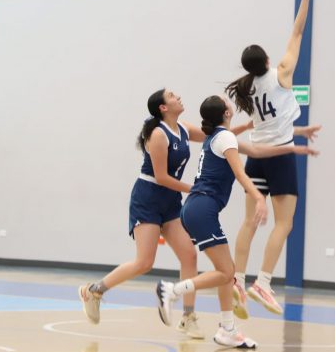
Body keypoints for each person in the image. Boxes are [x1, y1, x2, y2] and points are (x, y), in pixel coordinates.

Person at [78, 88, 251, 339]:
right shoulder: (158, 134)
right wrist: (195, 189)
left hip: (171, 200)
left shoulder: (183, 128)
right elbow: (161, 177)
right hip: (148, 198)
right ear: (163, 107)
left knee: (189, 255)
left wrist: (246, 126)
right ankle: (94, 290)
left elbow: (215, 136)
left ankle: (188, 317)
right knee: (144, 262)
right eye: (172, 96)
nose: (178, 96)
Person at [155, 95, 318, 348]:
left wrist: (292, 148)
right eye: (228, 104)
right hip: (202, 208)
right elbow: (241, 174)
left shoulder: (219, 136)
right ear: (227, 113)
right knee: (226, 272)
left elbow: (256, 151)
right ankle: (172, 290)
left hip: (196, 208)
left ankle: (227, 329)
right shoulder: (225, 138)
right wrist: (259, 198)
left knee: (226, 273)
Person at [224, 0, 321, 317]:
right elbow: (297, 33)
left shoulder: (248, 87)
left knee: (249, 222)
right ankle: (263, 283)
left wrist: (299, 130)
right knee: (284, 224)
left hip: (256, 156)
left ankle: (237, 280)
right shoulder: (281, 74)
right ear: (266, 60)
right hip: (278, 157)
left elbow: (271, 122)